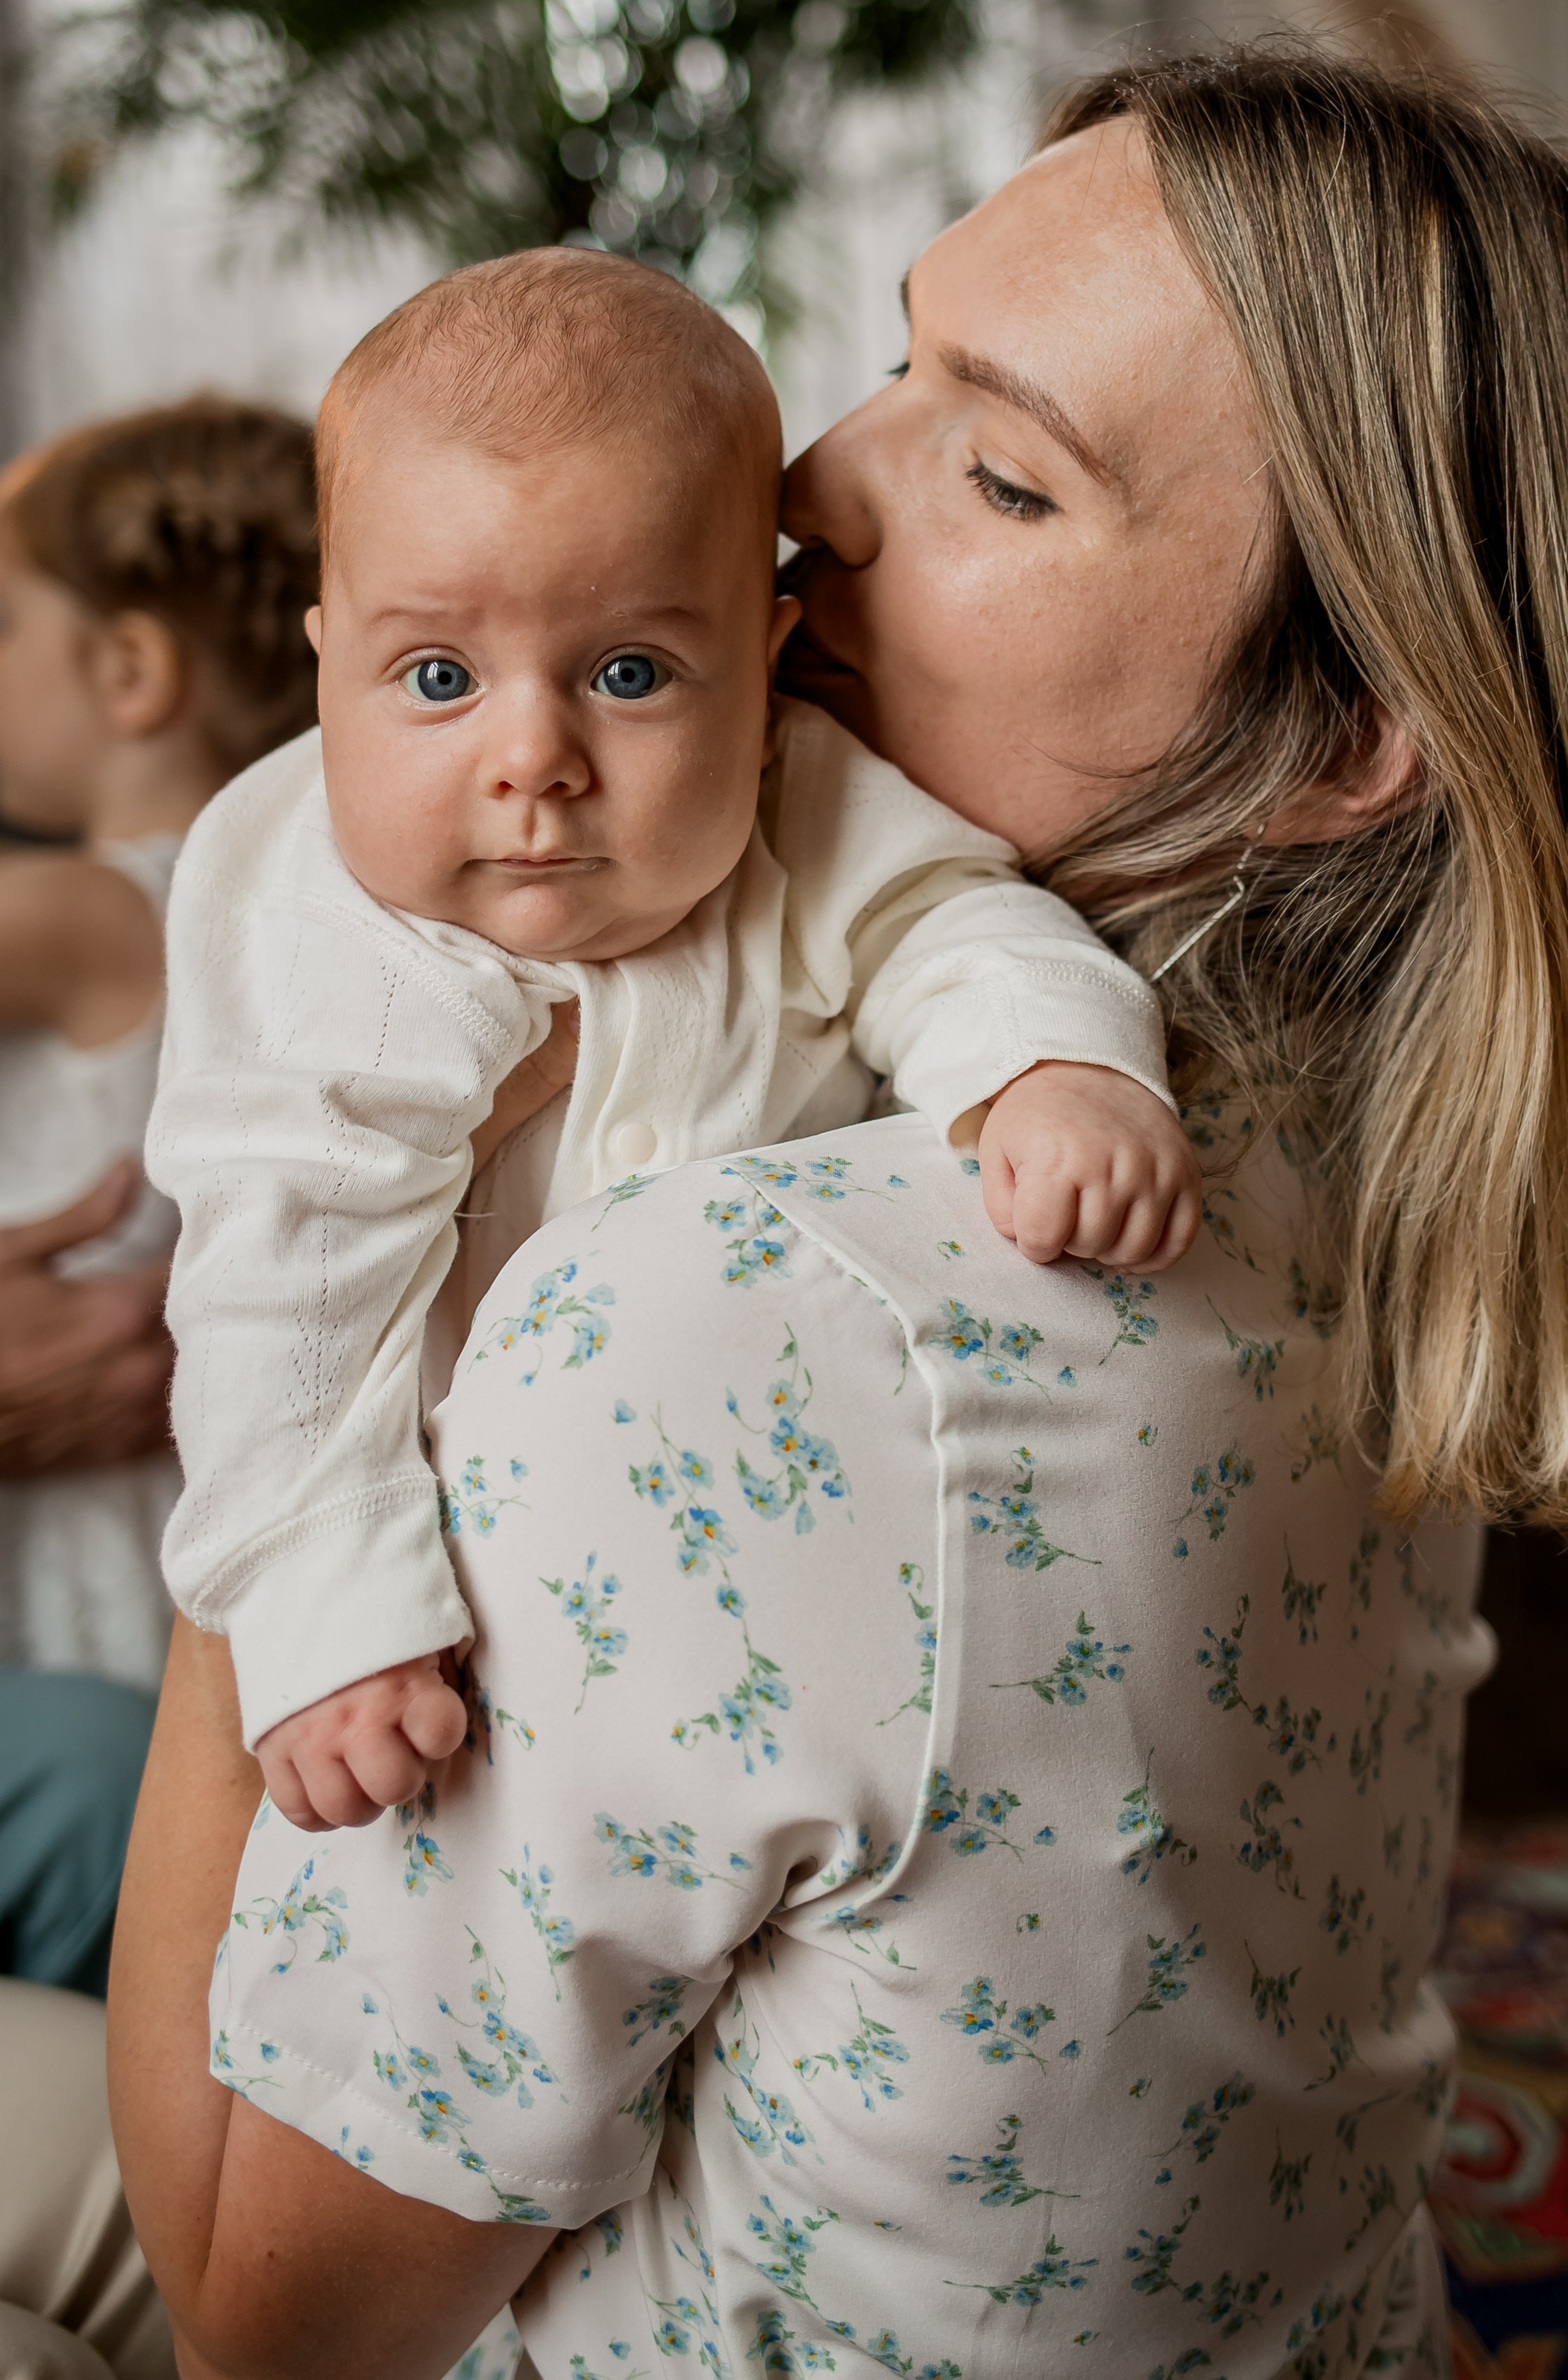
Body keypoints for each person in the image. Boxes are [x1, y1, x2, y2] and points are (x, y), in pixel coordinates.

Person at [110, 48, 1568, 2380]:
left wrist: (294, 1424)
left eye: (1005, 472)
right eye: (899, 360)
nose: (811, 490)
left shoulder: (719, 1328)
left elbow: (262, 2320)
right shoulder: (1372, 1171)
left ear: (1348, 735)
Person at [148, 251, 1197, 1833]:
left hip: (791, 1572)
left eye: (628, 673)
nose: (533, 759)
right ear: (326, 666)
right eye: (436, 678)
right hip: (466, 1616)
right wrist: (329, 1613)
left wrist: (1048, 1066)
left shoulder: (799, 803)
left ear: (762, 667)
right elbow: (280, 1293)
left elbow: (952, 925)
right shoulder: (321, 924)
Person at [0, 395, 319, 1694]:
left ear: (131, 670)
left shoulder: (84, 911)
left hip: (75, 1484)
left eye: (5, 625)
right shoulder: (284, 903)